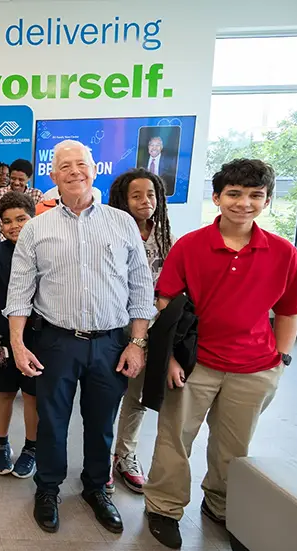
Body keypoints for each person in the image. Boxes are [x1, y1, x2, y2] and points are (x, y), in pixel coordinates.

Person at [144, 159, 297, 549]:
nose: (244, 204)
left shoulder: (283, 253)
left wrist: (281, 360)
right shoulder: (190, 246)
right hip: (195, 362)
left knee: (234, 447)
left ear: (266, 201)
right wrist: (166, 357)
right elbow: (165, 303)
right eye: (234, 194)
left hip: (255, 367)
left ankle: (219, 504)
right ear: (217, 198)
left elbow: (288, 311)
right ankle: (164, 507)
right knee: (174, 438)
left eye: (255, 196)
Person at [5, 140, 155, 535]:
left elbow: (141, 287)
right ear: (52, 176)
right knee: (52, 420)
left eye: (81, 164)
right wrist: (18, 344)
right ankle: (48, 488)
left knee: (101, 422)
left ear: (94, 169)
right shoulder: (36, 228)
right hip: (56, 341)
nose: (74, 171)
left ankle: (96, 488)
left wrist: (137, 343)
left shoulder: (121, 223)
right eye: (64, 166)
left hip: (111, 342)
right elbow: (19, 293)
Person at [108, 168, 175, 494]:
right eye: (136, 195)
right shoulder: (110, 229)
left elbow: (174, 279)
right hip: (114, 321)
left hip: (152, 326)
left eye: (150, 195)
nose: (145, 201)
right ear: (123, 199)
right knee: (107, 391)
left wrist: (162, 303)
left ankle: (125, 454)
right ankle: (100, 457)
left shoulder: (165, 234)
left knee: (136, 395)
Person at [0, 193, 39, 478]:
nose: (14, 226)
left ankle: (31, 448)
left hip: (38, 338)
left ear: (34, 218)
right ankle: (1, 444)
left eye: (21, 219)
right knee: (3, 393)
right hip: (3, 339)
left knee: (32, 396)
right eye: (7, 221)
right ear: (0, 226)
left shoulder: (45, 250)